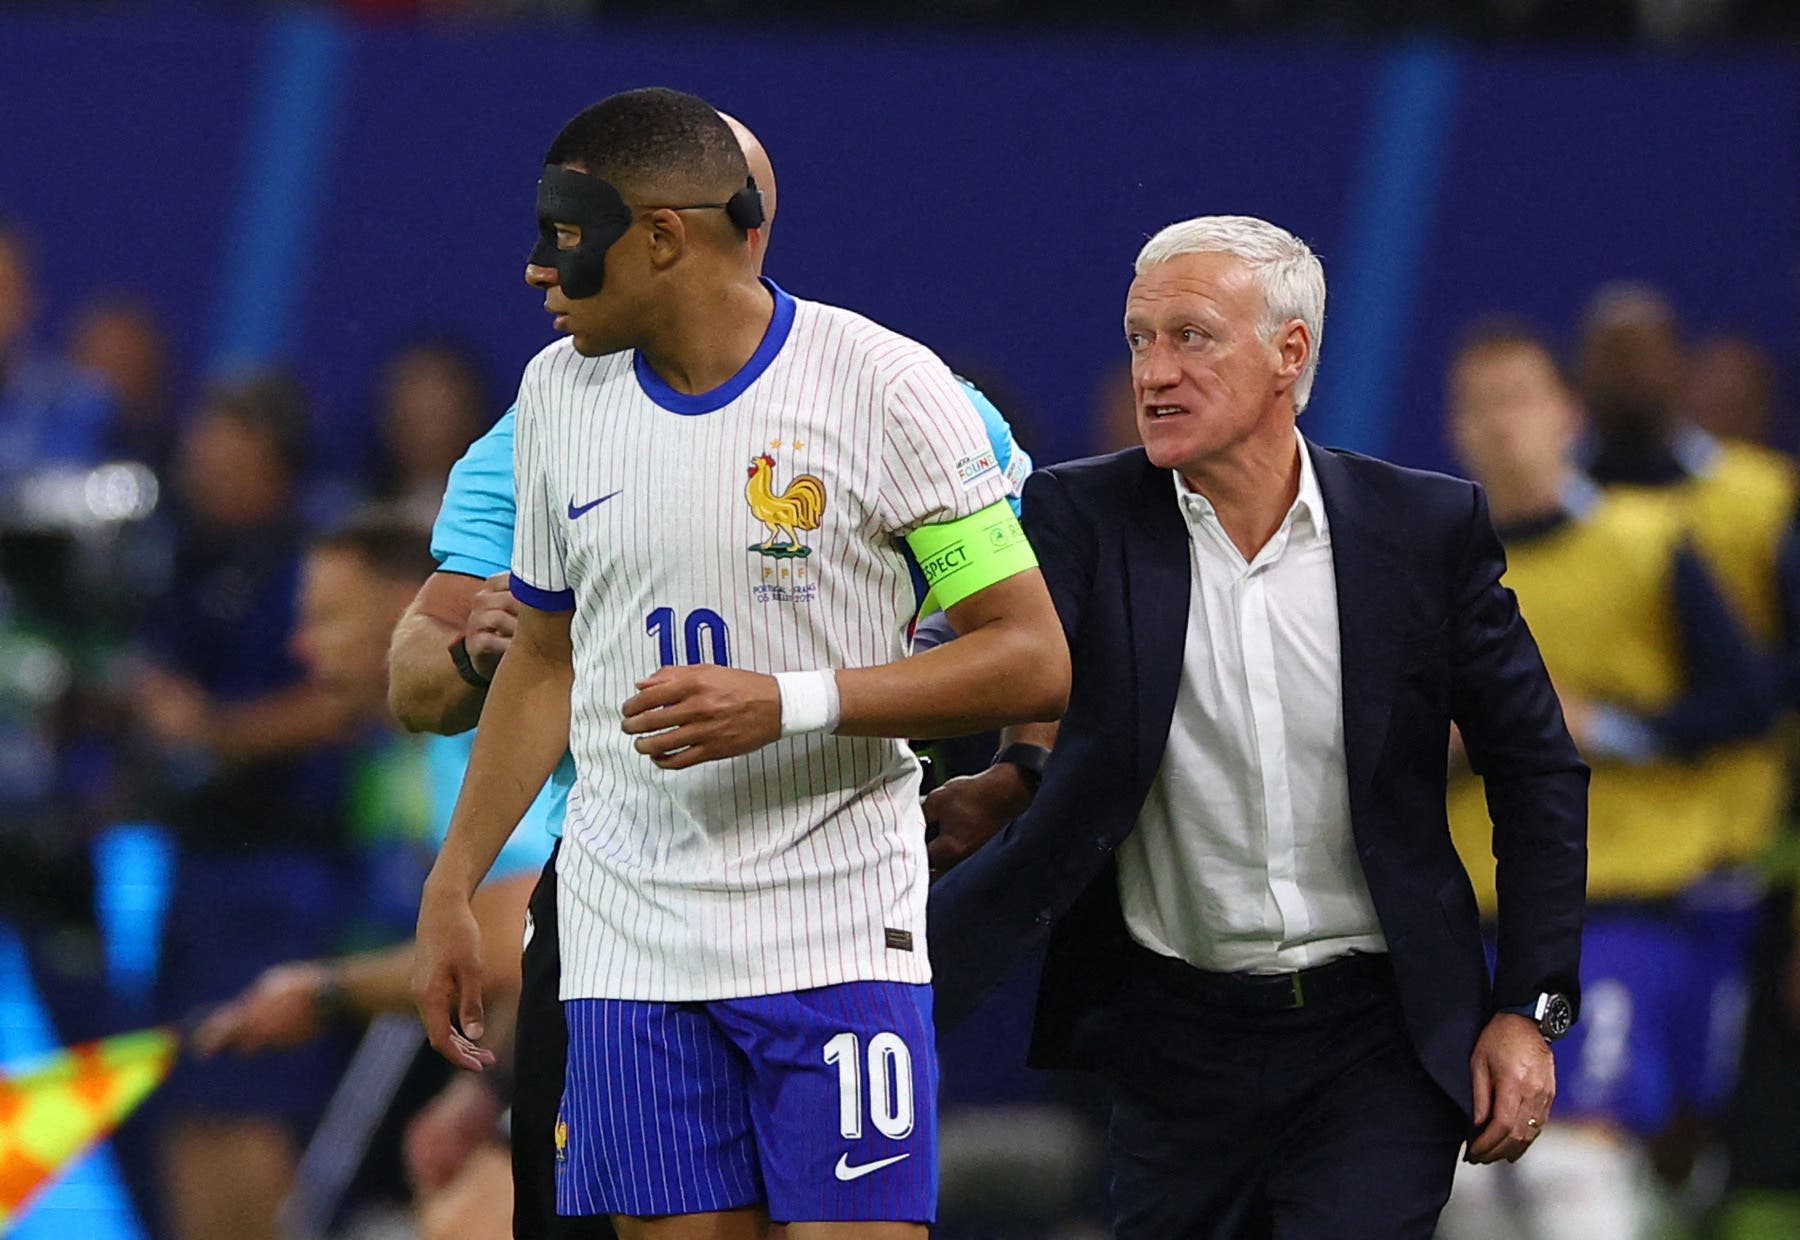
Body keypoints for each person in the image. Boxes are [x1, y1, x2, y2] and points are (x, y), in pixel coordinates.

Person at [410, 87, 1068, 1238]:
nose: (537, 272)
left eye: (568, 239)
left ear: (664, 236)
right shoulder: (556, 399)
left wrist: (788, 705)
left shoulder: (889, 388)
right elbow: (546, 660)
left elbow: (1032, 658)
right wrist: (454, 882)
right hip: (628, 941)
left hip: (835, 921)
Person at [924, 215, 1589, 1239]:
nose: (1154, 370)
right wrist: (1015, 770)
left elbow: (1536, 769)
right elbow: (1014, 672)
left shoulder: (1423, 529)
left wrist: (1529, 1008)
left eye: (1191, 336)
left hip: (1379, 1035)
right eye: (1140, 337)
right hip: (1171, 1042)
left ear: (1291, 354)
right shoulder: (1080, 518)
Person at [1434, 323, 1774, 1240]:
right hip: (1469, 915)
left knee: (1573, 1159)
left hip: (1612, 909)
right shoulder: (1437, 572)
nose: (1502, 427)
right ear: (1455, 431)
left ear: (1567, 417)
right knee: (1463, 1178)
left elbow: (1749, 703)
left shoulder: (1649, 545)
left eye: (1521, 400)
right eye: (1479, 406)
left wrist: (1609, 727)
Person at [191, 507, 551, 1240]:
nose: (302, 646)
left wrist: (328, 993)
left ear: (403, 613)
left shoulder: (483, 731)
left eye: (326, 618)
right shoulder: (409, 761)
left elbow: (527, 928)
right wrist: (483, 1097)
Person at [123, 373, 362, 1240]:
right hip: (197, 867)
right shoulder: (184, 552)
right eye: (202, 459)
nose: (210, 476)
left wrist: (217, 732)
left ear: (278, 464)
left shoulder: (325, 559)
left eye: (231, 462)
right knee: (189, 1098)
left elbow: (347, 702)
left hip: (283, 875)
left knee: (254, 1105)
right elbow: (146, 668)